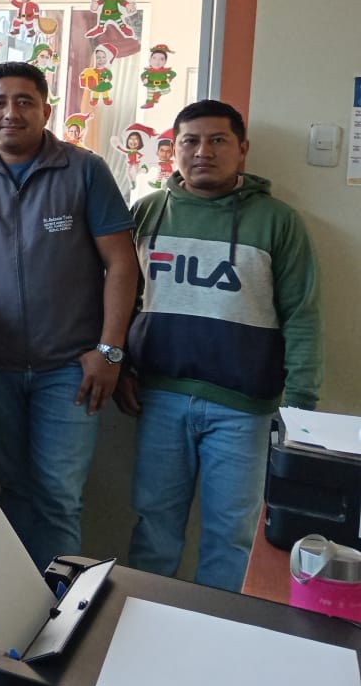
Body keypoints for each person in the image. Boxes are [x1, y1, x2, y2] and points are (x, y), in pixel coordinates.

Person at [0, 61, 138, 570]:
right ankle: (16, 605)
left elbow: (121, 264)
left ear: (46, 111)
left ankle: (56, 611)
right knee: (13, 488)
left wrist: (110, 351)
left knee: (57, 496)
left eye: (25, 101)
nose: (11, 113)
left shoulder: (84, 170)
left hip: (70, 369)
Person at [119, 100, 321, 591]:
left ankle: (215, 630)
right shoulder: (146, 213)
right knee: (154, 525)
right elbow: (121, 299)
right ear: (174, 149)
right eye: (190, 141)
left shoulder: (277, 221)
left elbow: (302, 314)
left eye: (217, 140)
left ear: (242, 149)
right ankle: (143, 621)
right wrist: (120, 367)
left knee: (231, 538)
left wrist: (301, 407)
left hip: (244, 409)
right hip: (159, 398)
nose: (202, 152)